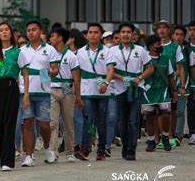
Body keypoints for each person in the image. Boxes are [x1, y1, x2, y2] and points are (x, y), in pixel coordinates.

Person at [0, 22, 30, 171]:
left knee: (9, 123)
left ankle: (7, 161)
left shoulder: (17, 52)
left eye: (6, 30)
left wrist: (26, 95)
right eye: (1, 30)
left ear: (11, 34)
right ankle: (0, 151)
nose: (4, 32)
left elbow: (24, 73)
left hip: (11, 87)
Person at [18, 21, 59, 167]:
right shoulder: (22, 50)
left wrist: (51, 71)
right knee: (27, 123)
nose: (30, 33)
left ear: (40, 31)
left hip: (43, 92)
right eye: (28, 30)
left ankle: (48, 148)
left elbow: (55, 68)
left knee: (44, 125)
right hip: (25, 92)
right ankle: (29, 155)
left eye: (34, 30)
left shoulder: (49, 49)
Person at [111, 22, 153, 161]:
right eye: (123, 32)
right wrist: (123, 78)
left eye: (129, 32)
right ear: (119, 34)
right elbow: (109, 70)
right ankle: (125, 144)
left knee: (133, 120)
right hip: (119, 89)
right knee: (121, 121)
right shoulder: (112, 51)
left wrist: (139, 78)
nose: (126, 34)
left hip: (136, 89)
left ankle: (132, 148)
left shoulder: (140, 50)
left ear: (133, 34)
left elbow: (150, 68)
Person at [76, 23, 114, 161]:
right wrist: (77, 93)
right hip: (86, 91)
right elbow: (77, 74)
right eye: (90, 32)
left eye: (96, 32)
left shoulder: (107, 51)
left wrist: (106, 83)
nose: (92, 35)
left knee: (101, 121)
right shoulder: (80, 52)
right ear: (87, 35)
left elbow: (110, 69)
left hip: (103, 91)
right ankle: (85, 148)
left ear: (100, 34)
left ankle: (101, 149)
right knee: (87, 120)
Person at [49, 27, 83, 162]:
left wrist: (78, 97)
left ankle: (70, 152)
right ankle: (53, 152)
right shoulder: (49, 54)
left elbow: (76, 79)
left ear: (60, 38)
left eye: (53, 36)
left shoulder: (71, 56)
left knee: (68, 122)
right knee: (53, 123)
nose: (50, 39)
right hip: (52, 89)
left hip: (68, 91)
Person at [142, 35, 177, 152]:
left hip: (163, 90)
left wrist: (175, 91)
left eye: (159, 43)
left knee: (166, 115)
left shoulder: (166, 58)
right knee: (150, 117)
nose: (159, 45)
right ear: (150, 46)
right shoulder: (144, 58)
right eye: (156, 43)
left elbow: (171, 75)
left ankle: (166, 137)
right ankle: (151, 140)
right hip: (148, 92)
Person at [154, 20, 186, 141]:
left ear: (169, 30)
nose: (161, 30)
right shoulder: (154, 45)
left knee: (170, 110)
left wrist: (182, 86)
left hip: (171, 82)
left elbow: (180, 67)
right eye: (159, 27)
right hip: (155, 83)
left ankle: (170, 135)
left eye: (164, 27)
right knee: (155, 110)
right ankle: (156, 137)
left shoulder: (175, 47)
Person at [172, 25, 190, 144]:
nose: (178, 37)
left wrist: (183, 85)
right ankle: (167, 134)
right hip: (168, 84)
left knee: (180, 111)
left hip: (183, 84)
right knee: (167, 111)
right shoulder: (166, 48)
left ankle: (178, 135)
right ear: (172, 35)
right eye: (176, 34)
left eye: (181, 35)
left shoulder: (186, 50)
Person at [188, 21, 195, 145]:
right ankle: (193, 133)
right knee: (191, 109)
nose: (193, 32)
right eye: (191, 30)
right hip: (191, 85)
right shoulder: (185, 48)